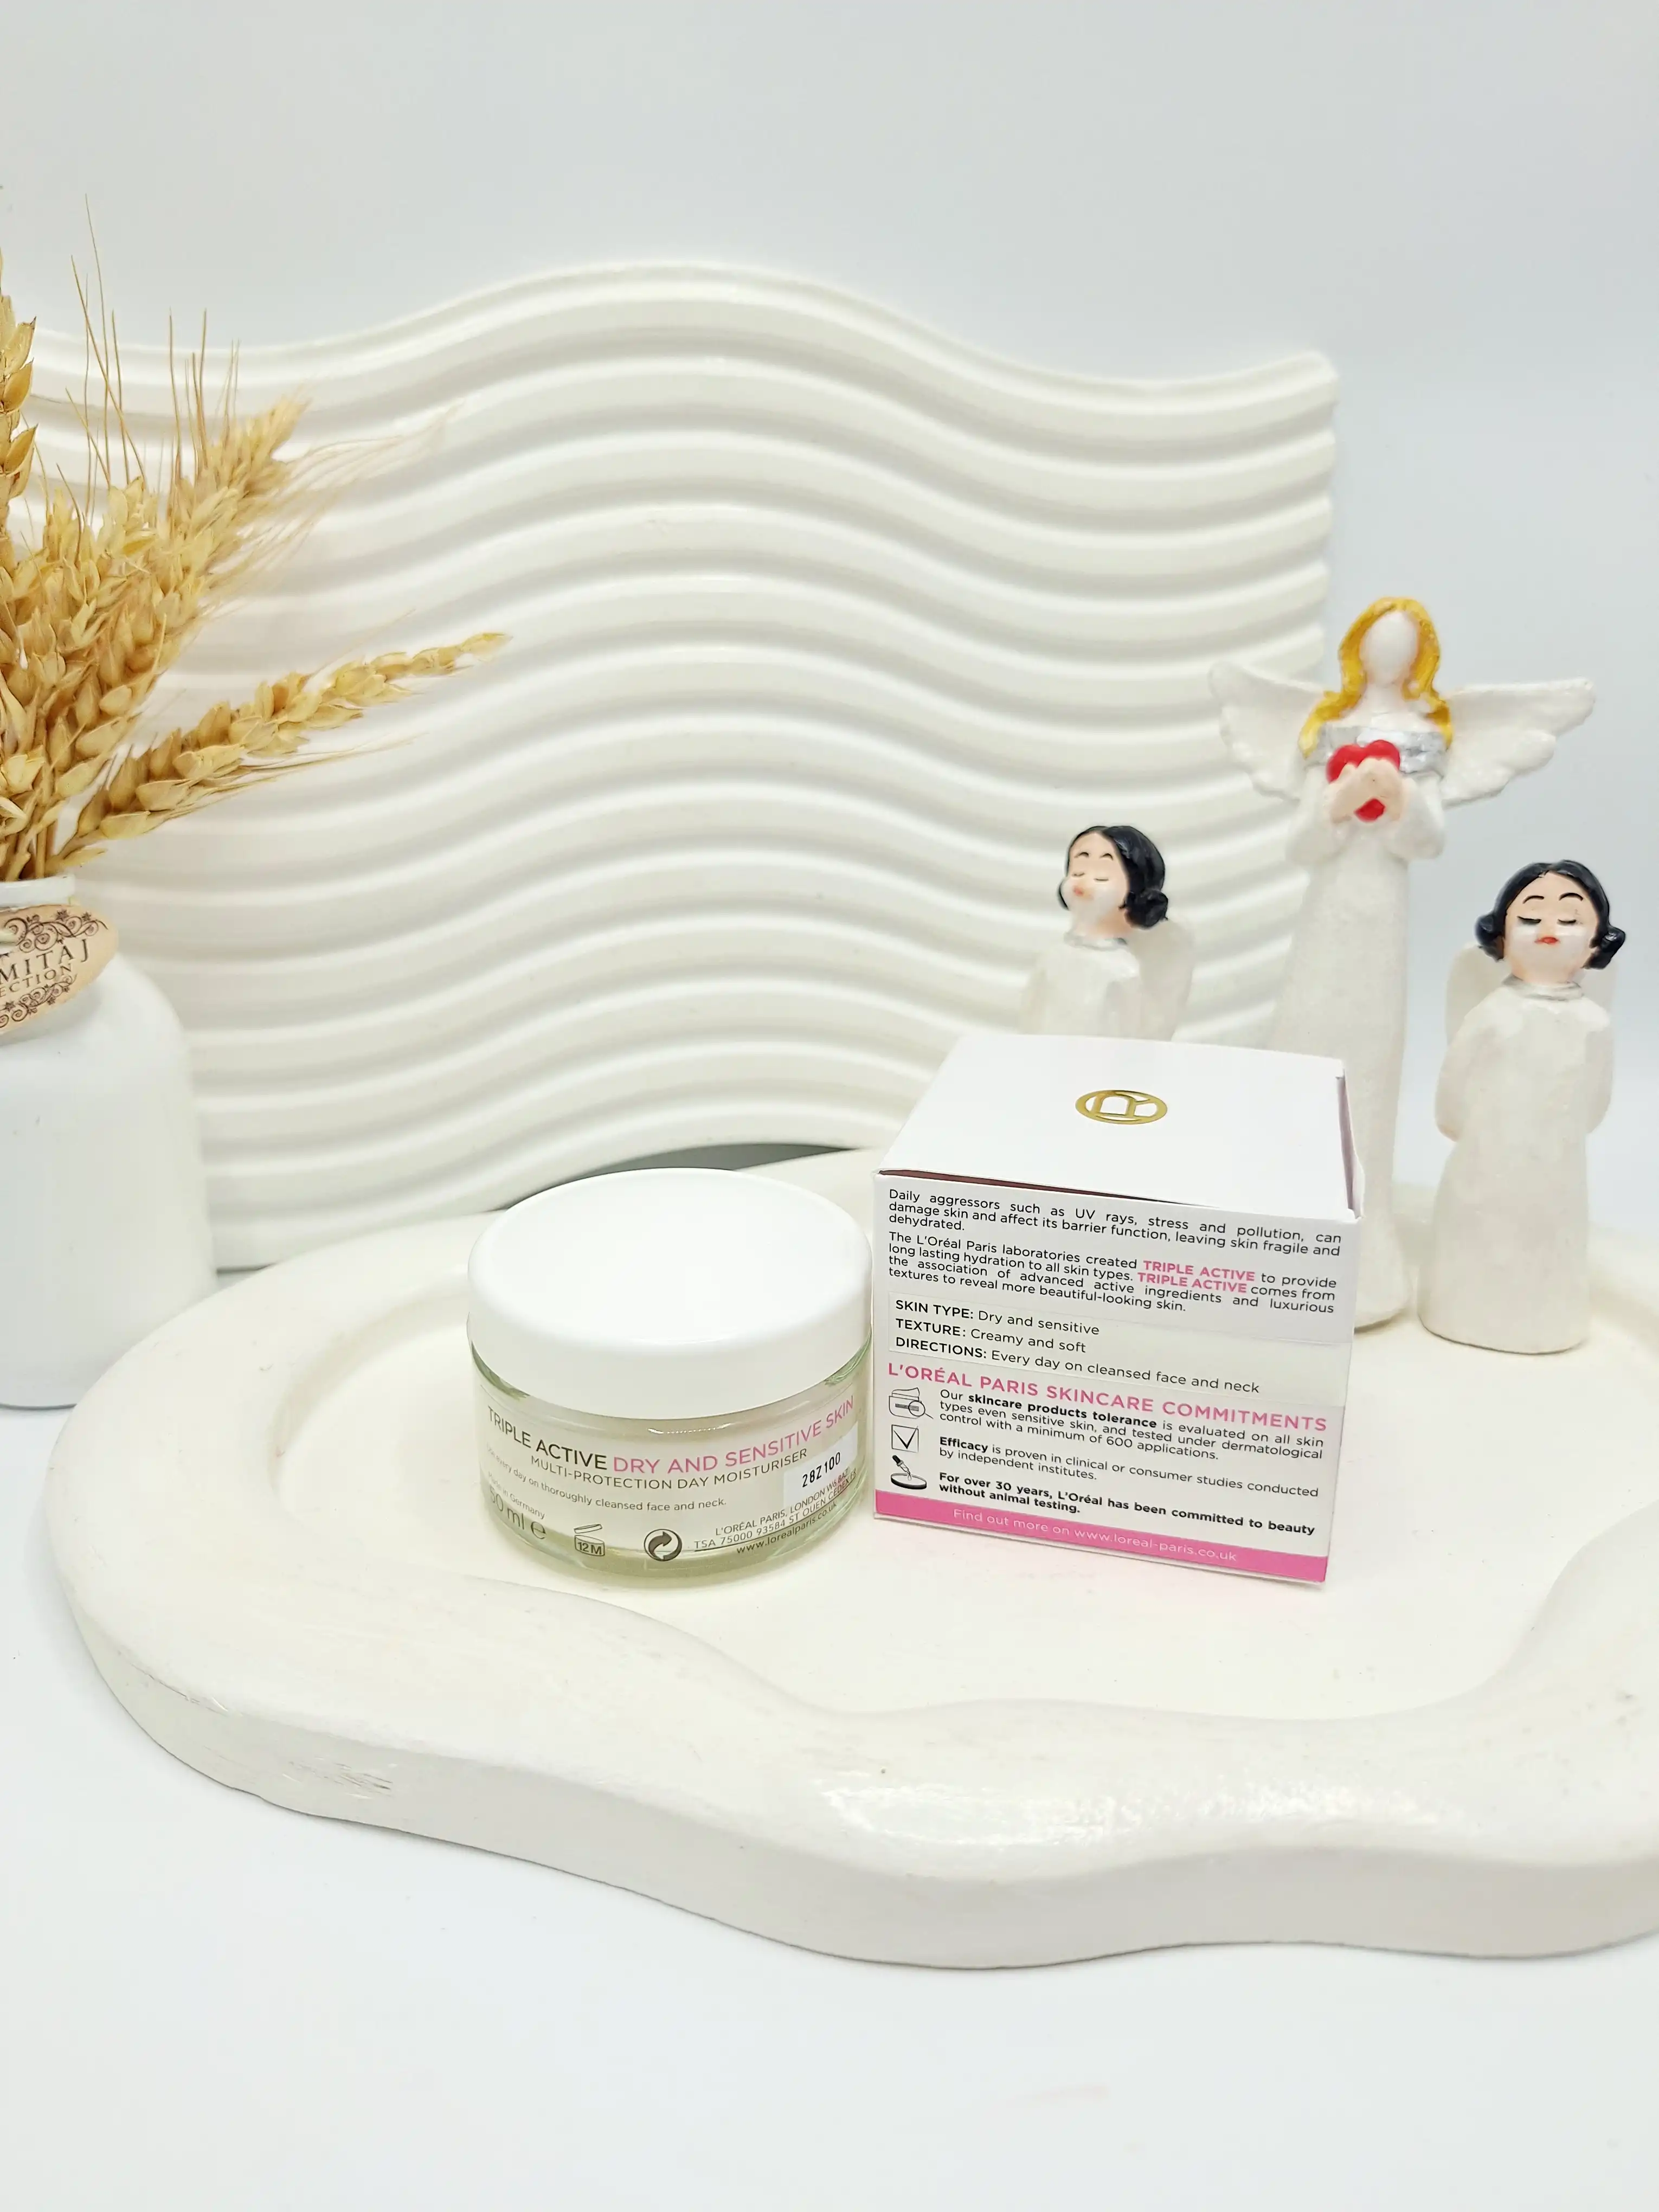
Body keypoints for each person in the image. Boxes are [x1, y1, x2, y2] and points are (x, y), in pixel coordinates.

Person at [1212, 598, 1593, 1326]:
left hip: (1381, 916)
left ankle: (1363, 1256)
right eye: (1378, 639)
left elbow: (1427, 840)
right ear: (1358, 647)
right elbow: (1302, 844)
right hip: (1327, 911)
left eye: (1404, 642)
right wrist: (1338, 802)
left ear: (1421, 655)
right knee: (1305, 1043)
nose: (1389, 652)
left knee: (1368, 1071)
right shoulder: (1326, 728)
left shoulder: (1426, 735)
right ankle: (1278, 1238)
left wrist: (1400, 800)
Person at [1418, 861, 1622, 1354]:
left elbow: (1596, 1100)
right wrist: (1470, 1134)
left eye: (1570, 919)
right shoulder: (1493, 1013)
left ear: (1596, 944)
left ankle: (1544, 1318)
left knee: (1547, 1233)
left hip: (1556, 1163)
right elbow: (1454, 1086)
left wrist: (1560, 1137)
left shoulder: (1593, 1023)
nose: (1550, 928)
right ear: (1502, 939)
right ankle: (1460, 1309)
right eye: (1531, 918)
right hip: (1487, 1155)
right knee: (1480, 1226)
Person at [1017, 824, 1193, 1039]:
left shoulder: (1123, 971)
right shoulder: (1053, 956)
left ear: (1135, 894)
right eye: (1077, 872)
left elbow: (1130, 1038)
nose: (1083, 882)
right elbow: (1031, 1017)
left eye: (1101, 878)